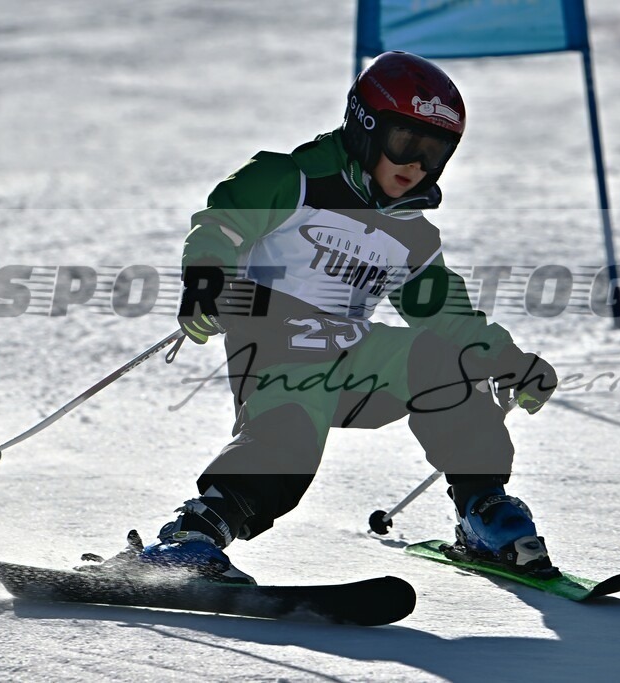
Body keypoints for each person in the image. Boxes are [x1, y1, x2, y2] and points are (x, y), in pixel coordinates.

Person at [141, 51, 558, 584]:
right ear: (365, 125)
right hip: (277, 354)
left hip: (356, 361)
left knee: (447, 362)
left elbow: (445, 312)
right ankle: (193, 536)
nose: (416, 166)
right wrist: (206, 281)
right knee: (288, 437)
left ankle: (484, 512)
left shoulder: (412, 233)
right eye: (406, 143)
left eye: (434, 153)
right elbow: (221, 223)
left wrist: (507, 359)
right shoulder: (289, 179)